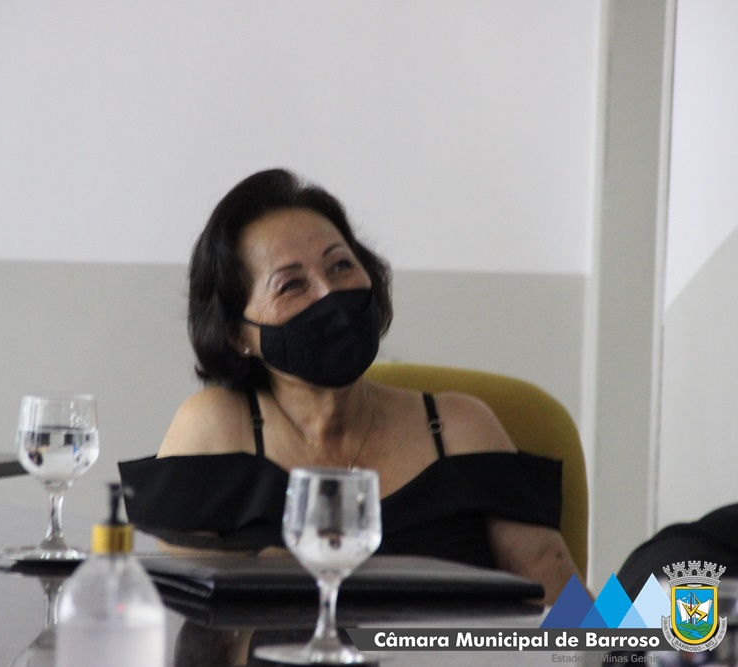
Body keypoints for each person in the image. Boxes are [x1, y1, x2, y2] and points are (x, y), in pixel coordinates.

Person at [119, 168, 580, 604]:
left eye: (340, 266)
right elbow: (193, 622)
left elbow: (571, 617)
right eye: (291, 285)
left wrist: (626, 621)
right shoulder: (216, 428)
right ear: (239, 334)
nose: (329, 293)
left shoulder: (460, 427)